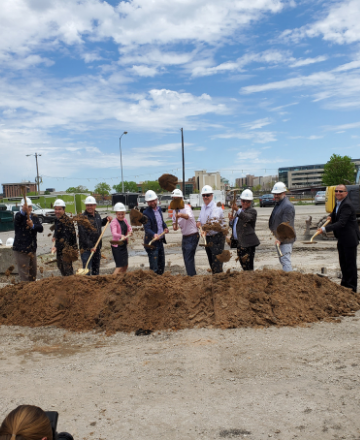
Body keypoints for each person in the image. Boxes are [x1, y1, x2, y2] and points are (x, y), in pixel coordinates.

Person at [317, 184, 360, 292]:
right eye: (336, 191)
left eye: (341, 191)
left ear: (346, 193)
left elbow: (341, 223)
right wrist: (331, 216)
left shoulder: (347, 205)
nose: (338, 193)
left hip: (349, 239)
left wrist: (324, 229)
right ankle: (345, 284)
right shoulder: (339, 203)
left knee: (350, 264)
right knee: (343, 263)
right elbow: (335, 212)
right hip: (342, 238)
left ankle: (352, 287)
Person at [78, 196, 112, 276]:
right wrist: (90, 247)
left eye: (91, 205)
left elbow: (99, 223)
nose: (89, 207)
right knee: (87, 272)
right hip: (86, 250)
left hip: (97, 249)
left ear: (95, 205)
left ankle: (96, 287)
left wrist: (106, 219)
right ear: (86, 206)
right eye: (88, 205)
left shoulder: (97, 215)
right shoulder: (82, 218)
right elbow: (83, 235)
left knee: (96, 271)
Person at [12, 197, 43, 282]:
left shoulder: (34, 216)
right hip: (21, 250)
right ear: (22, 207)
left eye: (30, 206)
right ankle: (24, 293)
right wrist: (23, 211)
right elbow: (19, 217)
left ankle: (31, 293)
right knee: (24, 275)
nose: (28, 208)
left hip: (32, 249)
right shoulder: (19, 216)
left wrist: (32, 226)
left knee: (33, 274)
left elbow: (40, 228)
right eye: (26, 206)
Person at [196, 185, 225, 274]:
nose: (205, 197)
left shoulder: (216, 207)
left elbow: (214, 224)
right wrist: (198, 222)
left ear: (212, 196)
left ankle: (219, 282)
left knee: (217, 262)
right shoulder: (203, 206)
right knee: (211, 261)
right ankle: (215, 280)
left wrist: (205, 230)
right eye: (203, 195)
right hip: (208, 238)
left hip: (217, 237)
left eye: (207, 195)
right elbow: (200, 218)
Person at [229, 189, 260, 271]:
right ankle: (247, 280)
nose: (245, 203)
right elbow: (235, 226)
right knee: (243, 265)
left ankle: (251, 282)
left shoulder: (252, 211)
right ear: (241, 201)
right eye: (243, 201)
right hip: (240, 243)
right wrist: (231, 221)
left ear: (251, 202)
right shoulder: (239, 212)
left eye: (248, 201)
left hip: (248, 244)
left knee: (248, 266)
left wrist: (237, 210)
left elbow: (246, 218)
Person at [268, 181, 296, 272]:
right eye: (274, 194)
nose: (275, 196)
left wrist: (280, 239)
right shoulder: (279, 203)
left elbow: (287, 225)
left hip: (286, 238)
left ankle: (289, 279)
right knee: (282, 260)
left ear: (284, 193)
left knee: (285, 260)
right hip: (280, 238)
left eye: (278, 194)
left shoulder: (287, 206)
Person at [171, 188, 199, 276]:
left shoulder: (186, 207)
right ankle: (192, 276)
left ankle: (192, 277)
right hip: (185, 236)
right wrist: (174, 226)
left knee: (188, 258)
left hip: (193, 235)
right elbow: (174, 224)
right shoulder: (174, 210)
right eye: (174, 199)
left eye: (177, 199)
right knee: (187, 258)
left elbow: (187, 216)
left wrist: (180, 215)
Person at [143, 190, 169, 275]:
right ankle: (153, 285)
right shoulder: (145, 213)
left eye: (153, 200)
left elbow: (161, 222)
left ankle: (160, 284)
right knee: (154, 268)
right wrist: (154, 234)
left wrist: (165, 227)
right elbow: (147, 228)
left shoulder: (159, 209)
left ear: (156, 199)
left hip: (160, 241)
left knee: (161, 265)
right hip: (152, 244)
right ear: (147, 202)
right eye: (150, 201)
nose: (152, 202)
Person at [51, 199, 77, 276]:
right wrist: (54, 236)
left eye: (59, 209)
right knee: (60, 266)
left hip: (67, 250)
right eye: (56, 209)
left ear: (64, 210)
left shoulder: (67, 221)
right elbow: (57, 231)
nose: (57, 211)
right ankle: (66, 284)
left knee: (67, 270)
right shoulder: (57, 219)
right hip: (60, 249)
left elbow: (66, 238)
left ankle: (71, 285)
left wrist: (56, 247)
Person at [110, 202, 133, 274]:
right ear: (116, 214)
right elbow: (114, 233)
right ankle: (112, 281)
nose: (120, 216)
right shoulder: (114, 222)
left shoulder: (124, 220)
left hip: (123, 245)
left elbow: (129, 227)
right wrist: (120, 235)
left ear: (124, 213)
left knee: (125, 265)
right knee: (119, 266)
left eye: (122, 214)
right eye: (119, 214)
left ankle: (121, 279)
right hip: (117, 247)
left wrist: (130, 231)